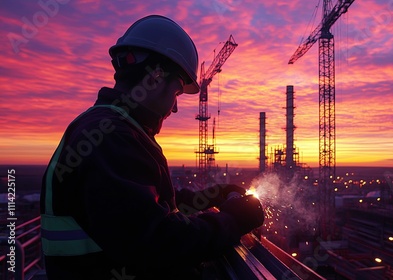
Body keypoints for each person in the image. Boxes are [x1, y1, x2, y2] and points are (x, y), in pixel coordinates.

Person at [40, 15, 264, 279]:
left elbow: (140, 208)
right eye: (177, 92)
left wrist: (213, 195)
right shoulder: (111, 138)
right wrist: (233, 220)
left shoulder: (108, 128)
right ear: (156, 77)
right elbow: (156, 242)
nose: (177, 107)